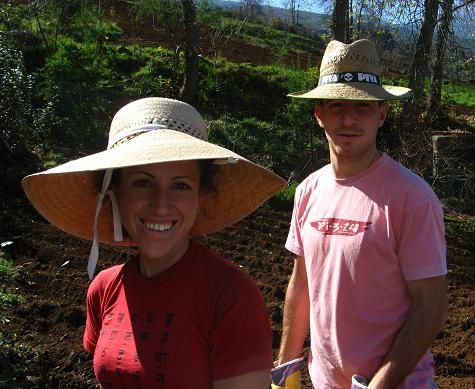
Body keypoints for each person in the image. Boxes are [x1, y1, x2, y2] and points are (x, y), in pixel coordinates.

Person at [23, 97, 287, 388]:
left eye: (180, 186)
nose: (161, 205)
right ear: (115, 193)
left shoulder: (231, 296)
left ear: (200, 197)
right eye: (142, 182)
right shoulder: (103, 288)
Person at [276, 39, 448, 389]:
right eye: (337, 105)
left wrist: (380, 385)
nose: (349, 118)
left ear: (381, 115)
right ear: (319, 114)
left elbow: (430, 305)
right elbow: (301, 284)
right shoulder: (309, 191)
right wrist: (284, 367)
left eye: (363, 106)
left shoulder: (412, 198)